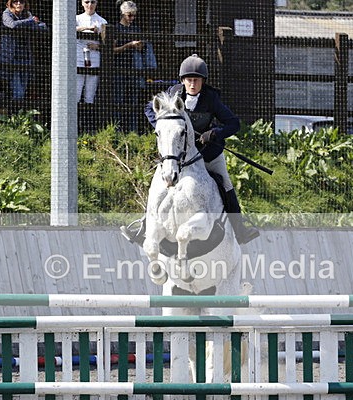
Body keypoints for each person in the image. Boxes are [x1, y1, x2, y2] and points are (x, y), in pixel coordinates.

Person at [121, 54, 259, 246]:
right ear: (182, 80)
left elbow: (234, 123)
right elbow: (149, 108)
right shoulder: (175, 93)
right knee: (158, 188)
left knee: (226, 184)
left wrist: (214, 133)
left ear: (203, 81)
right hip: (180, 156)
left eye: (196, 80)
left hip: (208, 153)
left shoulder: (211, 99)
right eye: (189, 80)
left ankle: (240, 229)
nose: (192, 84)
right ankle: (143, 227)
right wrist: (164, 127)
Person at [0, 0, 47, 114]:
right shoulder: (7, 14)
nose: (19, 4)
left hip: (25, 58)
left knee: (23, 89)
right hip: (11, 58)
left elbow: (42, 27)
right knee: (17, 90)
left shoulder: (27, 14)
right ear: (10, 4)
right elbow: (12, 25)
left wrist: (34, 23)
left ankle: (18, 118)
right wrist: (30, 21)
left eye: (22, 2)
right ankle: (13, 116)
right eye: (15, 2)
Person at [112, 1, 145, 132]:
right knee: (118, 100)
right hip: (119, 68)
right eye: (129, 15)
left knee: (133, 101)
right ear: (122, 14)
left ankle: (133, 131)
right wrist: (128, 45)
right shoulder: (115, 28)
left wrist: (139, 46)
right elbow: (112, 49)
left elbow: (142, 48)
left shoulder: (136, 29)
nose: (132, 18)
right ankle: (117, 131)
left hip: (134, 69)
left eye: (134, 15)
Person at [76, 0, 107, 105]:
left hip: (94, 60)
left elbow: (108, 44)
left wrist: (97, 46)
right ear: (82, 3)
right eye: (87, 2)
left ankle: (87, 120)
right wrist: (87, 28)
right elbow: (69, 29)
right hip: (78, 59)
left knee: (90, 95)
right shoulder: (76, 18)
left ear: (96, 3)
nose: (90, 5)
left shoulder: (102, 21)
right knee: (76, 92)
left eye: (92, 2)